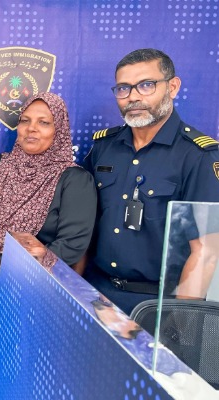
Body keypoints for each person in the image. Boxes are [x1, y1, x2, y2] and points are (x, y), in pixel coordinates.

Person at [0, 92, 97, 400]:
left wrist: (0, 261)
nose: (31, 129)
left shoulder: (73, 179)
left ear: (59, 130)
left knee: (16, 379)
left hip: (31, 296)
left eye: (44, 123)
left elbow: (71, 248)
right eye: (25, 121)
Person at [83, 48, 219, 315]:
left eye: (146, 85)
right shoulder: (104, 147)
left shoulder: (199, 156)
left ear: (173, 87)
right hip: (95, 293)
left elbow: (206, 253)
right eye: (123, 88)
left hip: (155, 305)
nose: (133, 96)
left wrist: (178, 322)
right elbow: (82, 220)